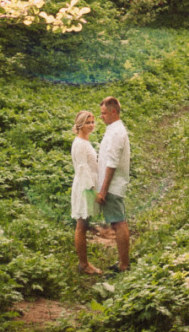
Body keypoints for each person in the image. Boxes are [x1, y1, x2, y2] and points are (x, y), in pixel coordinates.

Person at [95, 95, 131, 271]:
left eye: (103, 113)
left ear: (113, 112)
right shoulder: (112, 129)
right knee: (117, 222)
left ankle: (124, 265)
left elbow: (112, 164)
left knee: (118, 223)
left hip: (113, 186)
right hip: (111, 186)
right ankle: (122, 262)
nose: (101, 116)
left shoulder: (117, 132)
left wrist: (103, 190)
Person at [70, 110, 103, 274]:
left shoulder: (84, 141)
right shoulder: (80, 144)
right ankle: (83, 264)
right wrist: (93, 192)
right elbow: (83, 170)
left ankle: (84, 262)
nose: (91, 125)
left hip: (87, 185)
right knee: (81, 225)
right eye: (87, 123)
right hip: (85, 188)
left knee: (84, 223)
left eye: (92, 122)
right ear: (80, 125)